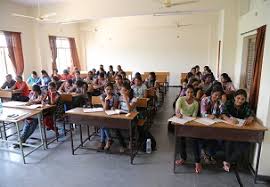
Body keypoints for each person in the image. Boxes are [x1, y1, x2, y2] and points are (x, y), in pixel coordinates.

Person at [221, 89, 254, 172]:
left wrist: (250, 118)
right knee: (229, 141)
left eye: (243, 99)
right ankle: (229, 161)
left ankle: (228, 161)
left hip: (241, 129)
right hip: (229, 128)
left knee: (246, 144)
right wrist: (229, 120)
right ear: (234, 97)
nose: (240, 101)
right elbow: (223, 114)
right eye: (238, 98)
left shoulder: (246, 105)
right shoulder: (229, 103)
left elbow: (251, 114)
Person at [174, 85, 201, 173]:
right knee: (181, 139)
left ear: (194, 93)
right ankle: (183, 158)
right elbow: (177, 110)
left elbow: (194, 116)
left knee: (194, 140)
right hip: (181, 122)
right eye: (188, 92)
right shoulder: (181, 99)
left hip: (191, 123)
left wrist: (189, 121)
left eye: (192, 92)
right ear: (185, 92)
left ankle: (197, 162)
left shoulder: (196, 103)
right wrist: (178, 114)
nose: (189, 94)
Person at [116, 83, 137, 153]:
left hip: (132, 116)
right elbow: (118, 107)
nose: (122, 92)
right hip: (122, 115)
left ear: (129, 91)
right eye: (122, 91)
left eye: (124, 91)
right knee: (114, 126)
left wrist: (126, 99)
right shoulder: (120, 98)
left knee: (132, 125)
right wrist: (115, 108)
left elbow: (129, 109)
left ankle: (130, 141)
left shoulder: (134, 99)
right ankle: (122, 145)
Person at [98, 83, 118, 150]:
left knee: (103, 124)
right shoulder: (102, 96)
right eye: (107, 89)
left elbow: (115, 107)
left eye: (110, 89)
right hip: (104, 115)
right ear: (104, 90)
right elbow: (105, 109)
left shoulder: (115, 96)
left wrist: (113, 107)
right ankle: (108, 139)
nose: (109, 91)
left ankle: (103, 141)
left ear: (112, 90)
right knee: (103, 123)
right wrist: (106, 100)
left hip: (113, 115)